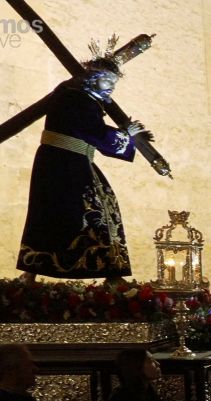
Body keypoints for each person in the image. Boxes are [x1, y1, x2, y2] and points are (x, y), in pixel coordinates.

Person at [16, 47, 152, 279]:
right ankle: (110, 275)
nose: (111, 87)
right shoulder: (73, 96)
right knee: (88, 211)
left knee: (97, 207)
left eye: (114, 83)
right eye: (107, 81)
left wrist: (125, 136)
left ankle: (108, 273)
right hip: (62, 165)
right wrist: (126, 134)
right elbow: (93, 132)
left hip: (73, 161)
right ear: (93, 78)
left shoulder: (81, 98)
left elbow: (93, 134)